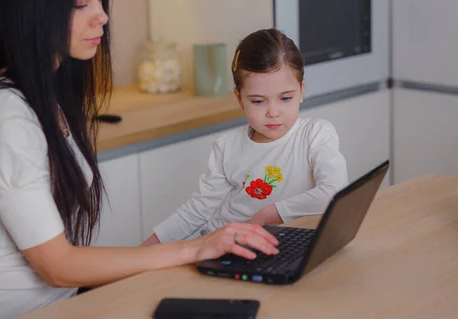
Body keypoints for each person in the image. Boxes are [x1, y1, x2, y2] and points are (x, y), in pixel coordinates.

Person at [0, 0, 279, 319]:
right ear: (34, 9)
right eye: (82, 3)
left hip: (64, 311)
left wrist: (183, 248)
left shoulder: (43, 96)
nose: (103, 16)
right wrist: (194, 248)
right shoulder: (1, 114)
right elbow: (58, 267)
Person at [142, 28, 349, 245]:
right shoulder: (227, 147)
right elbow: (197, 211)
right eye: (258, 101)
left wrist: (269, 214)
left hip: (285, 244)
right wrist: (144, 250)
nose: (273, 112)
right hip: (224, 245)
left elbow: (334, 192)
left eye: (285, 98)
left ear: (301, 91)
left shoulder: (316, 135)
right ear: (240, 99)